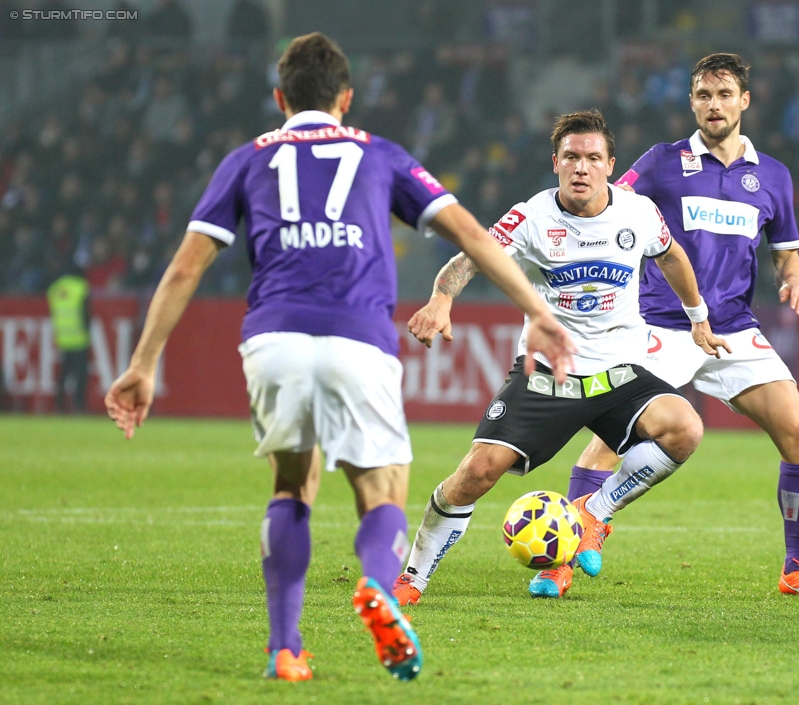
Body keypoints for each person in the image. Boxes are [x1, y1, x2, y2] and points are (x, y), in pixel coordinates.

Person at [104, 32, 575, 683]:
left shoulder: (246, 159)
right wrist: (541, 312)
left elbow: (186, 267)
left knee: (293, 484)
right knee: (383, 487)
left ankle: (285, 649)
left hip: (273, 340)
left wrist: (143, 362)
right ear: (346, 99)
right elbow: (469, 231)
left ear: (280, 98)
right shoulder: (378, 154)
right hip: (359, 337)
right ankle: (381, 585)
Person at [391, 109, 729, 605]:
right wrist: (442, 297)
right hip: (550, 374)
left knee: (685, 427)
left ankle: (594, 511)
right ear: (556, 163)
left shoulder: (637, 212)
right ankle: (412, 576)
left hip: (619, 372)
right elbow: (473, 255)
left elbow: (672, 254)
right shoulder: (532, 217)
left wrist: (698, 316)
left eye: (593, 158)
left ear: (610, 165)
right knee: (478, 472)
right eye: (571, 157)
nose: (581, 168)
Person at [566, 53, 799, 599]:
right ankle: (566, 557)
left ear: (744, 101)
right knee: (605, 442)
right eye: (702, 96)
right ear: (692, 102)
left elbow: (788, 253)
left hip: (734, 329)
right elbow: (607, 204)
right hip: (664, 324)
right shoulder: (662, 163)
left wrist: (794, 279)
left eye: (723, 94)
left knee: (798, 432)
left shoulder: (773, 177)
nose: (713, 105)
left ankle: (798, 567)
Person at [47, 264, 91, 413]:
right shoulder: (80, 287)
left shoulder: (55, 288)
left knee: (64, 374)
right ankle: (78, 405)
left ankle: (58, 405)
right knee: (80, 374)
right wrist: (87, 330)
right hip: (79, 337)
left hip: (63, 338)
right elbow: (86, 313)